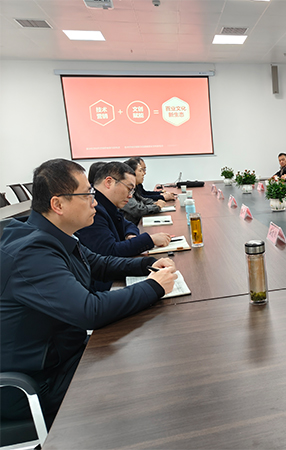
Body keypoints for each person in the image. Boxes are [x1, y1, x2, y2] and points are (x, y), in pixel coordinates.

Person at [0, 158, 177, 428]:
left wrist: (147, 265)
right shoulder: (31, 252)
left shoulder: (54, 234)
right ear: (58, 205)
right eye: (86, 195)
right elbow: (89, 311)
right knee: (145, 381)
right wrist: (154, 286)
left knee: (137, 355)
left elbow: (99, 264)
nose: (94, 202)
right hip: (35, 384)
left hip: (62, 356)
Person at [76, 162, 171, 290]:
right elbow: (110, 252)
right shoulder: (93, 209)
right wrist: (150, 240)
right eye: (129, 188)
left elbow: (128, 224)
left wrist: (130, 235)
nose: (130, 195)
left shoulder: (107, 203)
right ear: (109, 182)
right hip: (104, 285)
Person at [122, 158, 166, 225]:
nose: (143, 173)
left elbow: (142, 200)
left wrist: (155, 203)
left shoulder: (134, 187)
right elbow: (137, 210)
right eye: (140, 171)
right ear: (131, 173)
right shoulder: (124, 190)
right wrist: (157, 207)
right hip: (130, 227)